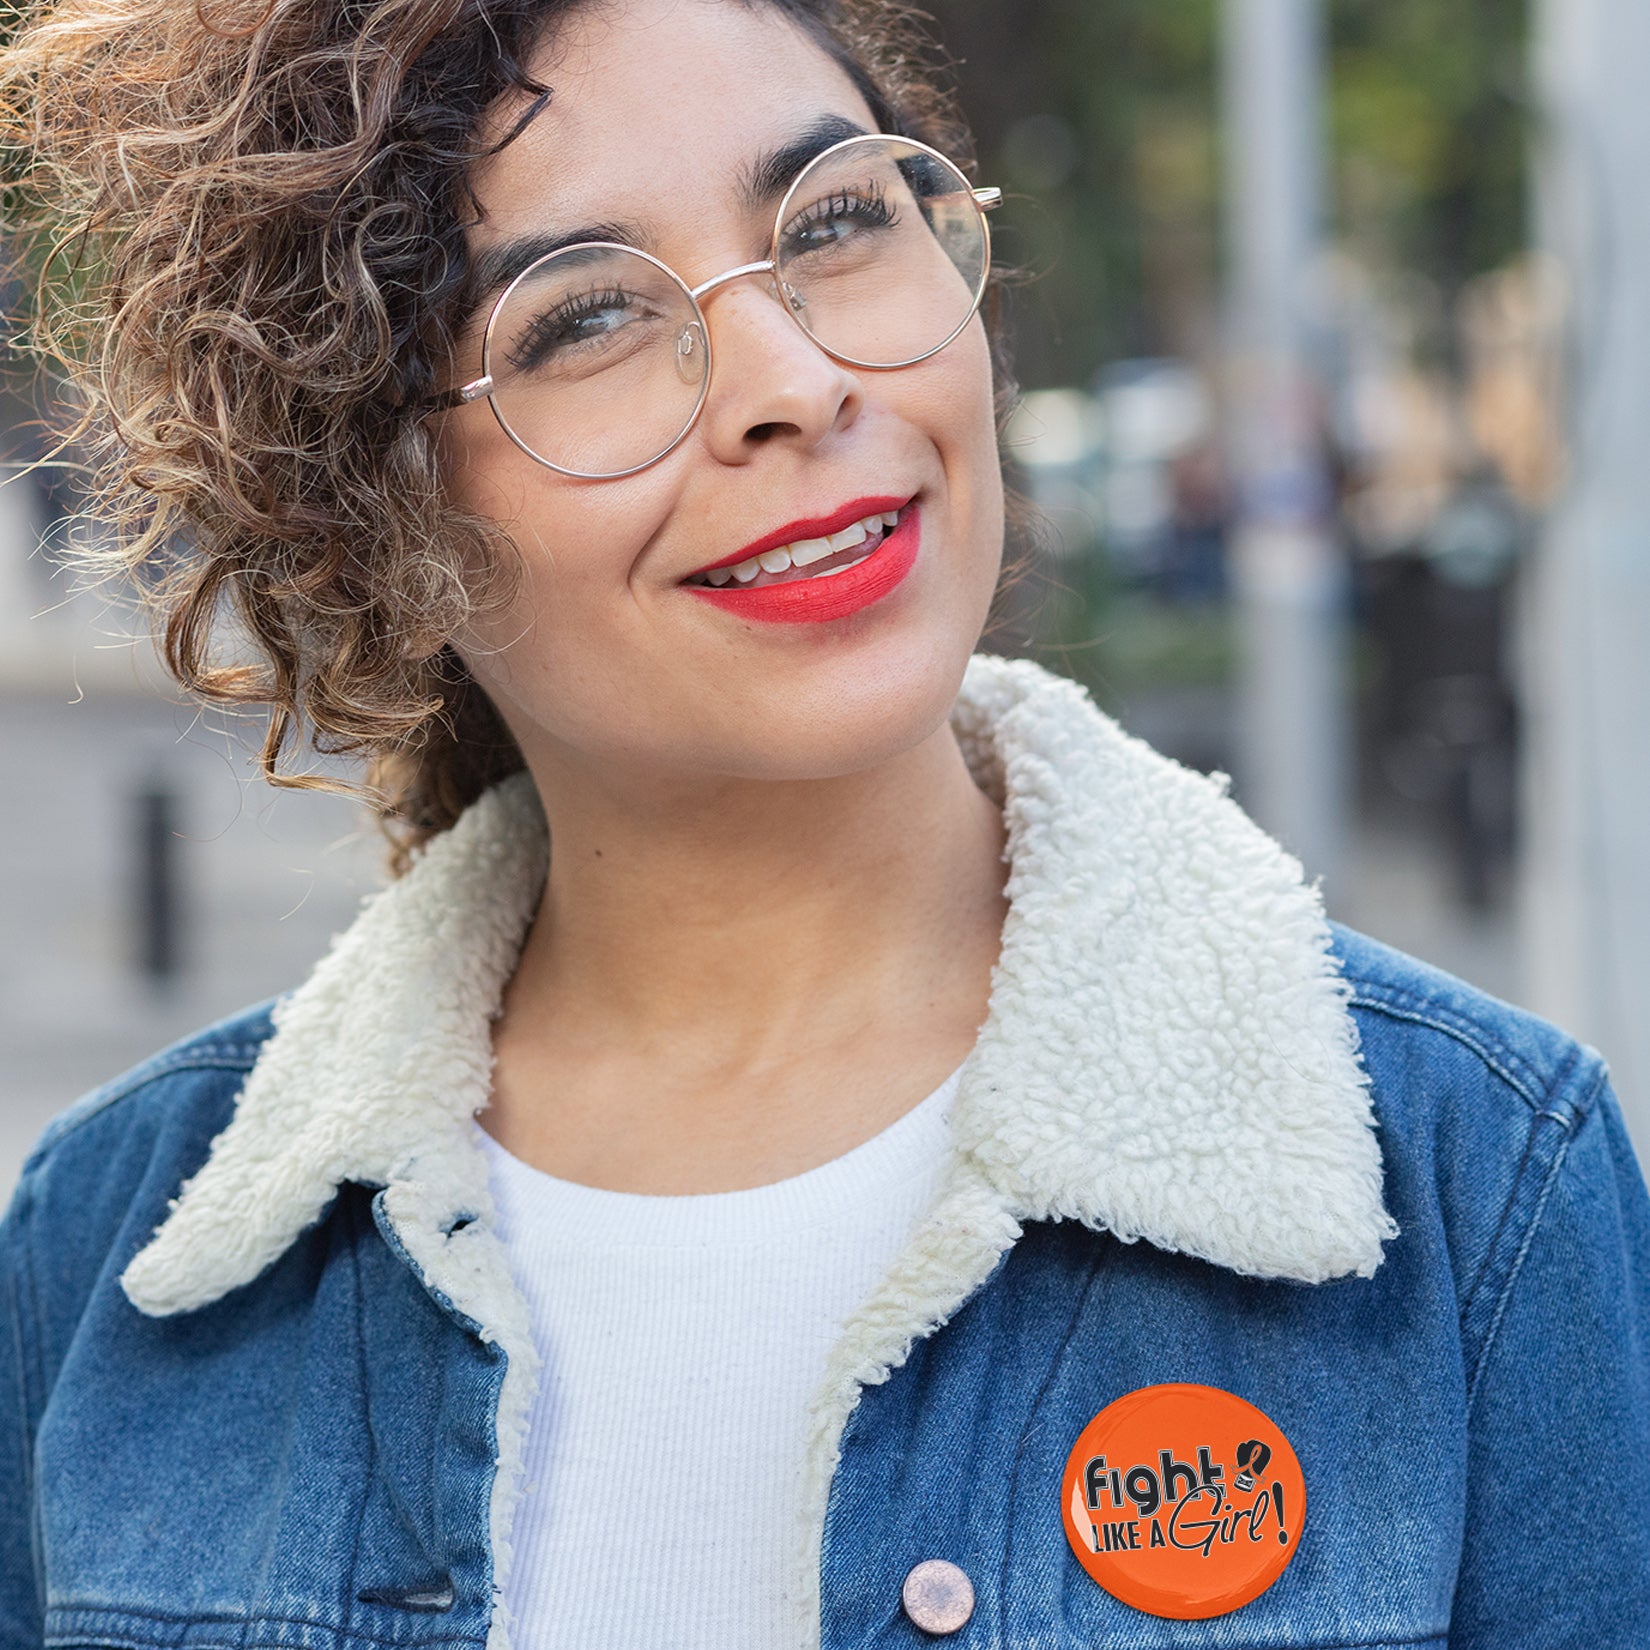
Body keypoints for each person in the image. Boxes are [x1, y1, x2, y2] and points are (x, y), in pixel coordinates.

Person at [1, 1, 1647, 1647]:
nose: (796, 380)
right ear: (375, 524)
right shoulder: (108, 1256)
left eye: (834, 223)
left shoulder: (1477, 1183)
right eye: (585, 319)